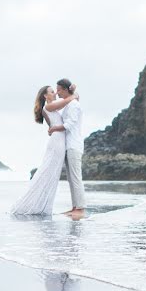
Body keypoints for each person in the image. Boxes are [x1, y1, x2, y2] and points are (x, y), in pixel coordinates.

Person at [9, 85, 75, 215]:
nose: (55, 92)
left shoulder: (52, 107)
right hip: (57, 143)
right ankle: (33, 205)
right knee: (47, 172)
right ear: (45, 96)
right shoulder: (48, 106)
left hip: (58, 141)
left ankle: (42, 206)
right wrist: (73, 92)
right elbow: (67, 101)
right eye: (52, 91)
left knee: (52, 174)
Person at [56, 78, 86, 217]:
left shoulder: (73, 105)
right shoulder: (70, 104)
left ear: (65, 89)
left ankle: (80, 208)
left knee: (75, 177)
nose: (57, 92)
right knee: (70, 178)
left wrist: (55, 128)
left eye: (59, 89)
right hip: (69, 145)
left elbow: (70, 123)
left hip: (74, 145)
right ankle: (75, 206)